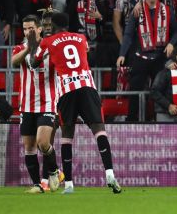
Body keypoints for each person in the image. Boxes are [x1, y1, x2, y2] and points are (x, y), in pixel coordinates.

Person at [29, 12, 122, 194]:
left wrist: (35, 44)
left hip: (67, 90)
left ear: (54, 25)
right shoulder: (81, 37)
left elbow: (34, 62)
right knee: (99, 130)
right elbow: (83, 52)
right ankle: (110, 173)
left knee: (67, 136)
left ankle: (69, 184)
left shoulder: (48, 41)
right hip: (87, 85)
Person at [116, 0, 177, 121]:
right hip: (141, 58)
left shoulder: (167, 11)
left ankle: (160, 118)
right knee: (135, 90)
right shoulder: (137, 10)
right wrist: (122, 54)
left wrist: (171, 43)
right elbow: (127, 34)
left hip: (160, 57)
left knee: (162, 90)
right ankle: (132, 120)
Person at [11, 15, 61, 194]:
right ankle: (38, 185)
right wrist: (28, 49)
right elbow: (14, 61)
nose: (27, 32)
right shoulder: (20, 47)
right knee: (29, 147)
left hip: (47, 102)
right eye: (24, 29)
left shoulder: (51, 47)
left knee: (42, 142)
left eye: (31, 28)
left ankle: (54, 171)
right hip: (26, 105)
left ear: (39, 29)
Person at [151, 45, 177, 121]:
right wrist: (168, 105)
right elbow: (154, 91)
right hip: (165, 114)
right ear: (174, 56)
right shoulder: (165, 72)